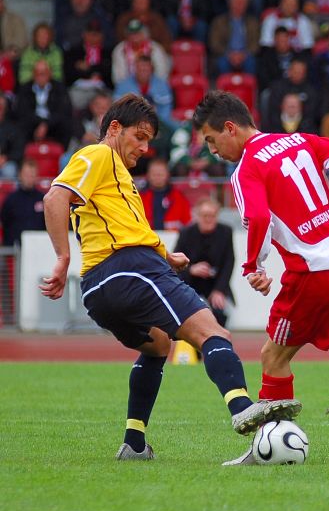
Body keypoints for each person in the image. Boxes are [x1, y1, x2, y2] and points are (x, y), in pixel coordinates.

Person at [39, 93, 299, 461]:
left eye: (148, 140)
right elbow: (54, 198)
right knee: (212, 333)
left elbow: (124, 227)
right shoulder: (98, 155)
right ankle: (243, 408)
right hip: (128, 269)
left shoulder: (118, 178)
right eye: (139, 137)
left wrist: (166, 254)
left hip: (101, 287)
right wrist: (62, 258)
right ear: (114, 128)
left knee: (159, 345)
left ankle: (134, 443)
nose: (145, 148)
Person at [192, 90, 329, 465]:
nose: (213, 151)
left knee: (273, 356)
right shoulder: (301, 140)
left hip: (313, 271)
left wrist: (254, 266)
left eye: (212, 141)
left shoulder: (246, 169)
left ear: (230, 128)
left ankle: (267, 448)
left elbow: (258, 217)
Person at [175, 198, 235, 328]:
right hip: (190, 283)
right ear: (197, 216)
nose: (208, 219)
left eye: (212, 215)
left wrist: (219, 290)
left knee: (219, 313)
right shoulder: (186, 233)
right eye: (205, 215)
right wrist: (192, 269)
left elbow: (229, 262)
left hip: (215, 283)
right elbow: (175, 262)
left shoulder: (226, 232)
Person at [0, 159, 46, 246]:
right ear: (20, 175)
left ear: (36, 176)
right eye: (26, 175)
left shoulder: (43, 199)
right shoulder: (11, 199)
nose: (29, 178)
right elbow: (4, 221)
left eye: (32, 175)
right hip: (15, 245)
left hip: (39, 245)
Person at [139, 158, 192, 231]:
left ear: (168, 175)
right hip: (146, 236)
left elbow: (187, 222)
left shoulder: (178, 197)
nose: (158, 176)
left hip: (173, 236)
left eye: (161, 173)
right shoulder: (139, 197)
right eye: (154, 173)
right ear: (148, 175)